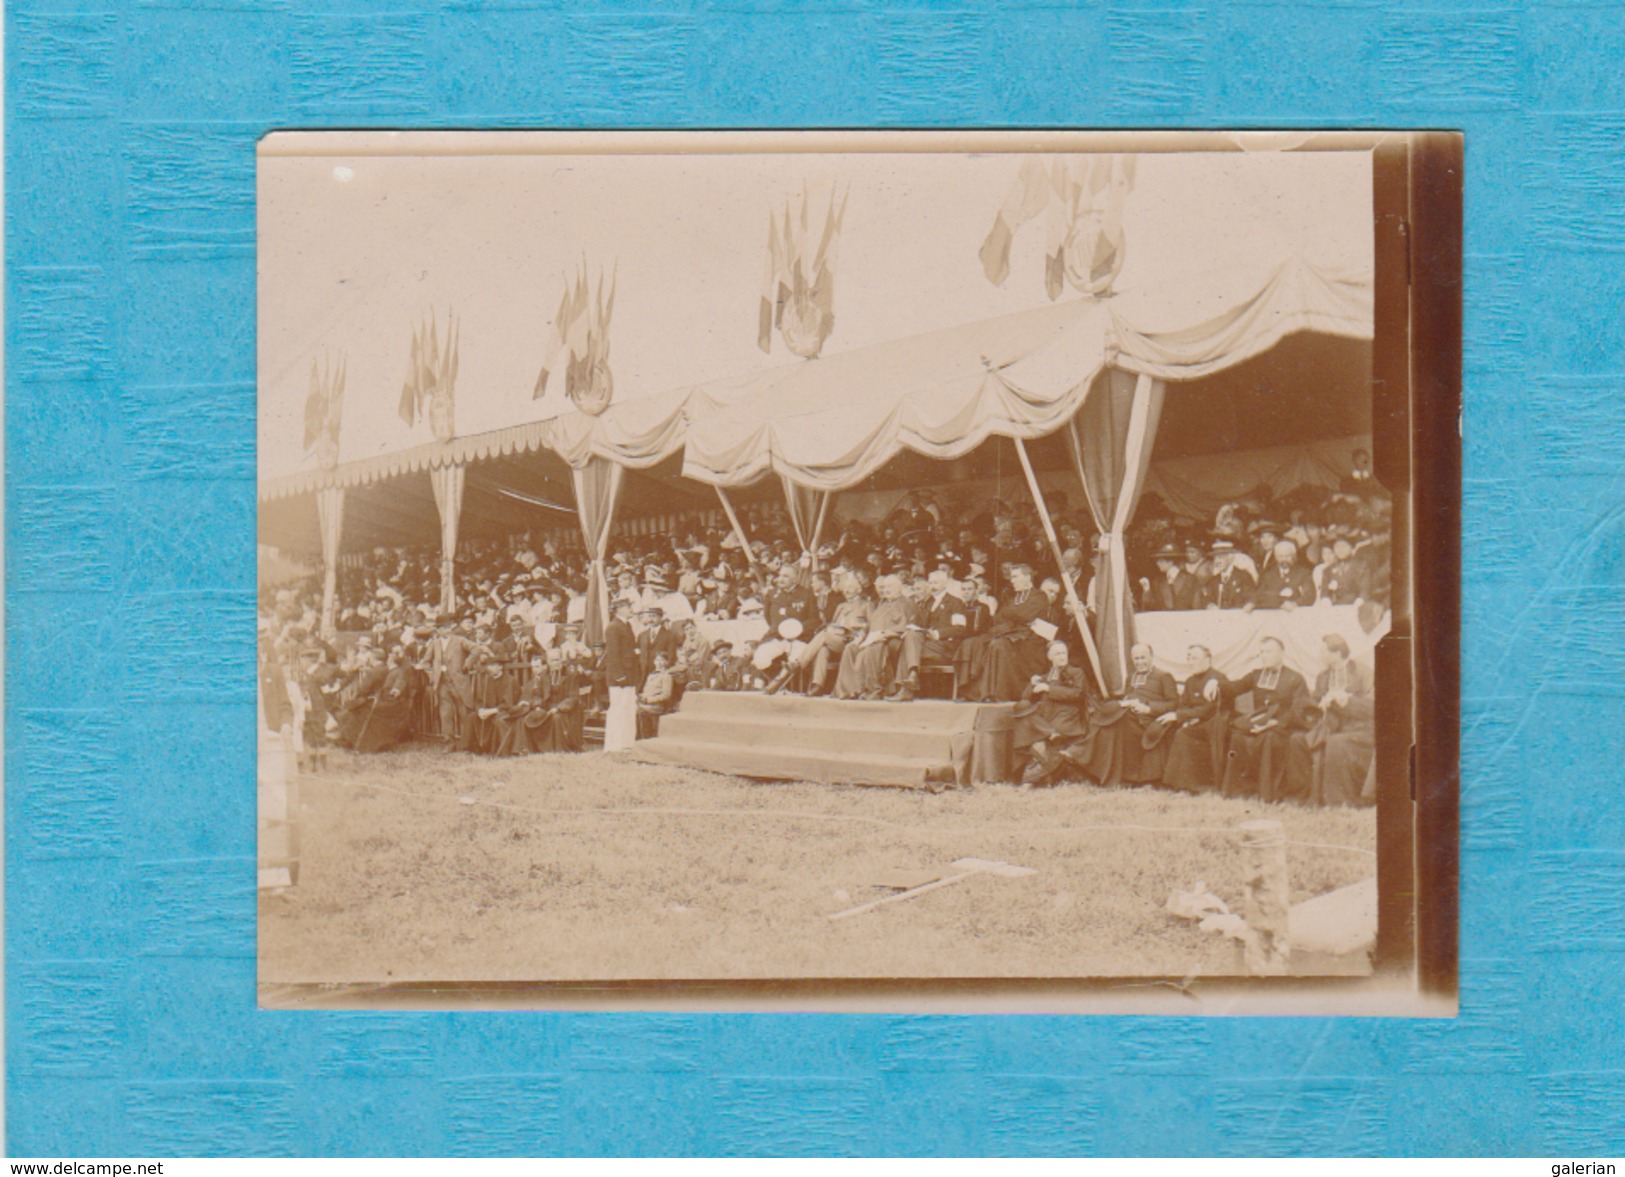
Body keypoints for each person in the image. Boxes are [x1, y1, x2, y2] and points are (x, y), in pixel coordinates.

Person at [1061, 643, 1179, 787]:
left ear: (1151, 657)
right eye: (1136, 658)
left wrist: (1147, 708)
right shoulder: (1131, 677)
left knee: (1114, 721)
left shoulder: (1163, 676)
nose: (1139, 662)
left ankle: (1082, 752)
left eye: (1143, 658)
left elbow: (1173, 704)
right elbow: (1127, 696)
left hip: (1147, 719)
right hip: (1129, 714)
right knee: (1105, 719)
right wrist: (1127, 703)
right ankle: (1094, 765)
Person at [1214, 636, 1311, 802]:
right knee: (1238, 737)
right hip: (1258, 724)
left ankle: (1267, 793)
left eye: (1269, 651)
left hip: (1282, 727)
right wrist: (1215, 682)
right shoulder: (1256, 675)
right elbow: (1234, 687)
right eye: (1261, 652)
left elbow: (1300, 710)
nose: (1264, 655)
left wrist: (1275, 723)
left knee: (1269, 738)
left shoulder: (1295, 678)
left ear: (1281, 653)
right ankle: (1238, 791)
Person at [1297, 634, 1375, 806]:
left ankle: (1338, 801)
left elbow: (1372, 706)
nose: (1320, 655)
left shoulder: (1363, 672)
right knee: (1298, 740)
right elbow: (1316, 703)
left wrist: (1347, 700)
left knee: (1335, 743)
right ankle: (1308, 797)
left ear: (1337, 653)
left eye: (1323, 651)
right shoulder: (1323, 677)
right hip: (1330, 727)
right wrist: (1320, 703)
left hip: (1360, 729)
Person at [958, 563, 1051, 702]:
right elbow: (998, 618)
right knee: (973, 643)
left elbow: (1026, 616)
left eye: (1015, 577)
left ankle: (997, 693)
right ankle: (974, 691)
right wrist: (1013, 618)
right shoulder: (1013, 598)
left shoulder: (1039, 596)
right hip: (1011, 634)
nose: (1011, 580)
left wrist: (1011, 617)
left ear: (1027, 577)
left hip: (1029, 642)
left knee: (998, 645)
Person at [769, 570, 871, 696]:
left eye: (850, 588)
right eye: (845, 588)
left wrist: (860, 637)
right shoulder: (841, 606)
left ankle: (798, 663)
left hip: (851, 639)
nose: (846, 590)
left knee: (823, 635)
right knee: (823, 648)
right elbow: (833, 623)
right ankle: (818, 686)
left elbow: (869, 627)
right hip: (835, 637)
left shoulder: (867, 605)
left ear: (859, 590)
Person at [1011, 640, 1092, 787]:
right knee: (1021, 707)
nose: (1062, 656)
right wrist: (1032, 683)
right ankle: (1049, 733)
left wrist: (1048, 689)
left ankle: (1029, 781)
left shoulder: (1076, 672)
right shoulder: (1045, 676)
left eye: (1064, 653)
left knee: (1039, 743)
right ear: (1050, 657)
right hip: (1046, 717)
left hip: (1067, 715)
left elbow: (1078, 694)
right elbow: (1025, 698)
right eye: (1057, 653)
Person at [1149, 645, 1227, 793]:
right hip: (1196, 723)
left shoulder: (1217, 679)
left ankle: (1191, 786)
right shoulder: (1191, 681)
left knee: (1183, 733)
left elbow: (1210, 709)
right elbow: (1184, 704)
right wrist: (1185, 718)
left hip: (1215, 726)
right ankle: (1173, 782)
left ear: (1208, 659)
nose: (1190, 662)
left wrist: (1181, 716)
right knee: (1177, 732)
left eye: (1195, 658)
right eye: (1189, 658)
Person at [888, 565, 969, 701]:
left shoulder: (955, 602)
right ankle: (912, 675)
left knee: (907, 645)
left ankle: (906, 688)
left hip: (946, 646)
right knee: (910, 636)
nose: (932, 586)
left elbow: (960, 629)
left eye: (936, 583)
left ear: (945, 584)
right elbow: (920, 625)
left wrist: (937, 633)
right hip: (927, 645)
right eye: (930, 583)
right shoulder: (928, 603)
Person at [833, 574, 912, 699]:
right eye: (884, 587)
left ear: (899, 588)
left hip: (890, 640)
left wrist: (883, 634)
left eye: (890, 586)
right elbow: (870, 625)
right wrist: (861, 637)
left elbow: (905, 628)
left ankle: (874, 690)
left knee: (870, 650)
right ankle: (851, 690)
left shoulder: (906, 603)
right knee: (851, 648)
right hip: (873, 638)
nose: (886, 590)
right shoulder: (883, 604)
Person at [602, 597, 641, 752]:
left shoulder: (627, 625)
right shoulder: (613, 627)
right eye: (627, 607)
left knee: (628, 709)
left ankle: (626, 743)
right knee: (618, 710)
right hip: (620, 676)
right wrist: (619, 675)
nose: (631, 609)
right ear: (618, 609)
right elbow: (613, 654)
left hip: (629, 673)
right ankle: (613, 745)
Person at [1247, 539, 1316, 612]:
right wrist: (1251, 603)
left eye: (1287, 556)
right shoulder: (1268, 574)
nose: (1284, 559)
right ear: (1276, 557)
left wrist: (1295, 604)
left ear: (1294, 556)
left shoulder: (1304, 573)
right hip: (1271, 614)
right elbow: (1258, 593)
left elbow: (1309, 595)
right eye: (1281, 556)